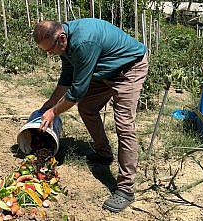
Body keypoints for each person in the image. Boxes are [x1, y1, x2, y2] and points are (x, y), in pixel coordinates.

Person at [33, 18, 148, 213]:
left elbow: (77, 91)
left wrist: (53, 112)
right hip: (105, 70)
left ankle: (126, 189)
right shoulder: (65, 41)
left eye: (49, 49)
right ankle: (104, 154)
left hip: (129, 69)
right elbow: (68, 77)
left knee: (124, 125)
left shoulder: (83, 42)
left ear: (61, 38)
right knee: (87, 108)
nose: (49, 54)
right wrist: (49, 104)